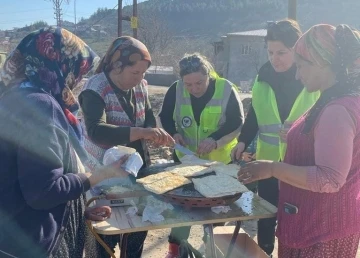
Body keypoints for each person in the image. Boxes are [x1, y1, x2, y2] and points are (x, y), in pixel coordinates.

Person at [0, 27, 130, 258]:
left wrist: (77, 211)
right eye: (79, 71)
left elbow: (24, 183)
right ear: (62, 65)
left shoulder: (13, 98)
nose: (78, 80)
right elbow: (43, 192)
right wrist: (99, 176)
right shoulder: (41, 106)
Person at [238, 23, 360, 258]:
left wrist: (272, 168)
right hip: (320, 225)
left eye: (301, 66)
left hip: (320, 232)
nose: (297, 73)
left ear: (323, 64)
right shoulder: (341, 100)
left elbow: (329, 179)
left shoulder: (337, 109)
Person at [79, 36, 174, 258]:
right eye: (135, 73)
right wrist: (141, 132)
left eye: (143, 73)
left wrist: (152, 132)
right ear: (117, 66)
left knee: (135, 235)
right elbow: (96, 130)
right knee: (104, 240)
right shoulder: (95, 88)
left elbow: (147, 116)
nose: (140, 78)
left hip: (135, 174)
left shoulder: (140, 85)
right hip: (102, 177)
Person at [231, 19, 320, 255]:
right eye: (270, 52)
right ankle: (265, 251)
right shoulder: (262, 78)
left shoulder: (310, 78)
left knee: (294, 215)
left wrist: (300, 132)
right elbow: (254, 114)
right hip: (268, 164)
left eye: (282, 52)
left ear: (297, 49)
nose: (275, 58)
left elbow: (324, 116)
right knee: (267, 213)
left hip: (300, 165)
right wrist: (242, 140)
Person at [159, 53, 244, 258]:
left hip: (218, 162)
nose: (194, 89)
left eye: (199, 82)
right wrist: (174, 133)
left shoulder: (225, 89)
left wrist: (215, 139)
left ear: (208, 74)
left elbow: (236, 122)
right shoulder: (176, 89)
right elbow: (165, 117)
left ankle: (211, 247)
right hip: (185, 161)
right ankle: (175, 248)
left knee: (216, 210)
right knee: (182, 208)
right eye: (188, 84)